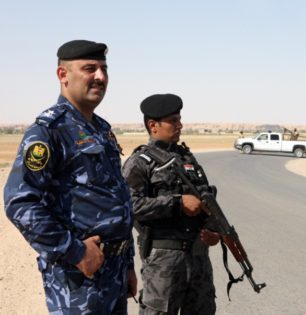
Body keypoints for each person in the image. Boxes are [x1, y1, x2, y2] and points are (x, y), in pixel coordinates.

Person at [3, 40, 137, 314]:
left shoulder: (102, 129)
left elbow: (117, 198)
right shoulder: (49, 131)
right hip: (79, 280)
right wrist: (75, 252)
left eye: (104, 69)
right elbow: (19, 203)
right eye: (90, 69)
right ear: (63, 75)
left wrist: (129, 264)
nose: (100, 77)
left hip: (114, 272)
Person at [122, 94, 220, 315]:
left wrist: (213, 231)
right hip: (163, 261)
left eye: (179, 119)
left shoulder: (187, 158)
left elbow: (207, 200)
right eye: (173, 120)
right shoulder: (140, 163)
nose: (180, 125)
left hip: (198, 257)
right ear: (153, 125)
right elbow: (129, 206)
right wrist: (177, 204)